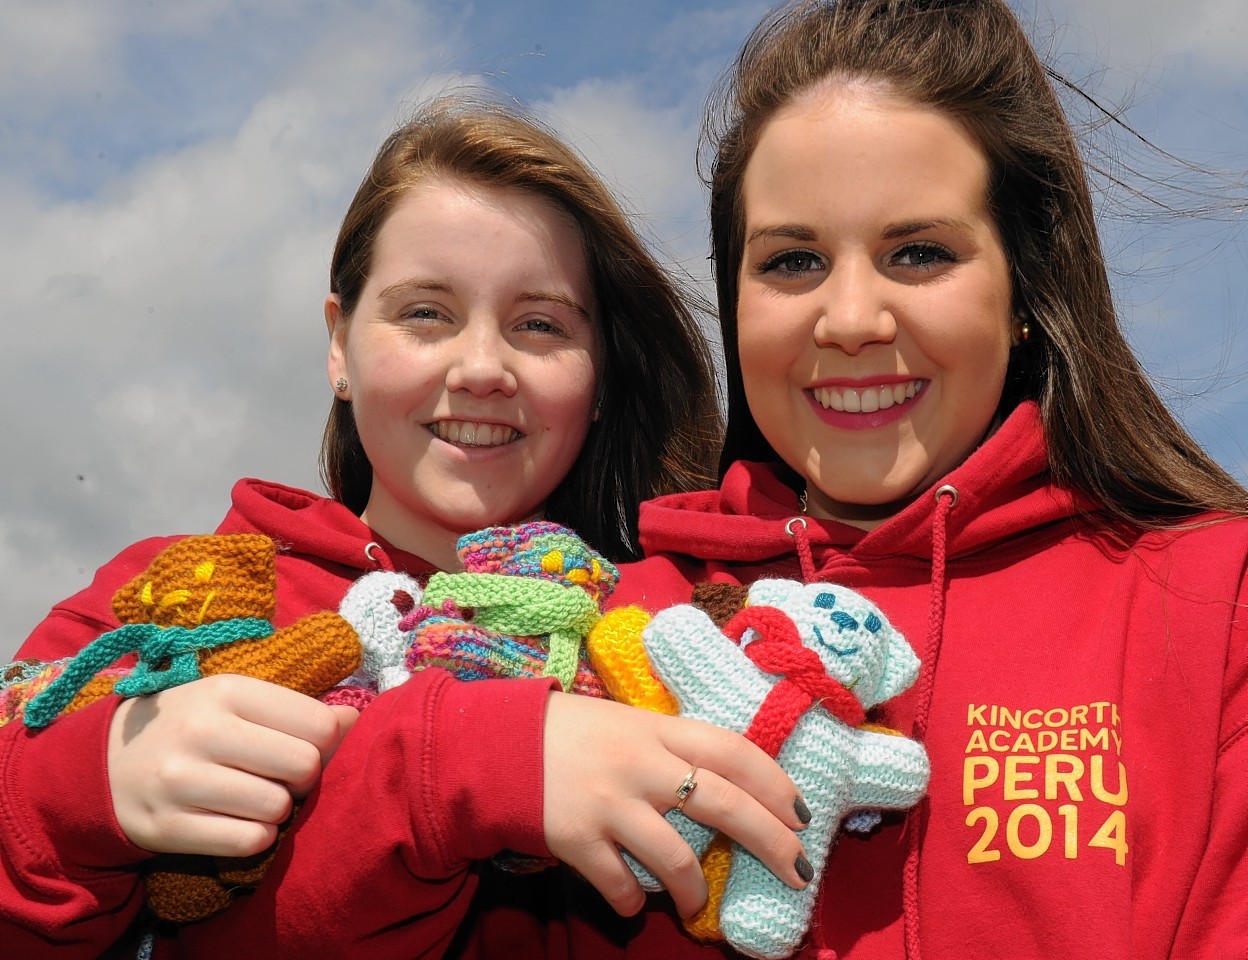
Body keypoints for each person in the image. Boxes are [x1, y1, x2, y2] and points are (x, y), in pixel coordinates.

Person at [451, 0, 1248, 958]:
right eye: (793, 260)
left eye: (920, 252)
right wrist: (444, 770)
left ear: (1026, 290)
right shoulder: (610, 634)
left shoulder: (1213, 601)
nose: (852, 317)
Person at [0, 94, 815, 958]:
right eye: (426, 312)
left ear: (600, 375)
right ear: (338, 344)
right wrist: (84, 789)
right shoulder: (177, 599)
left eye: (539, 324)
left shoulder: (693, 628)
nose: (483, 368)